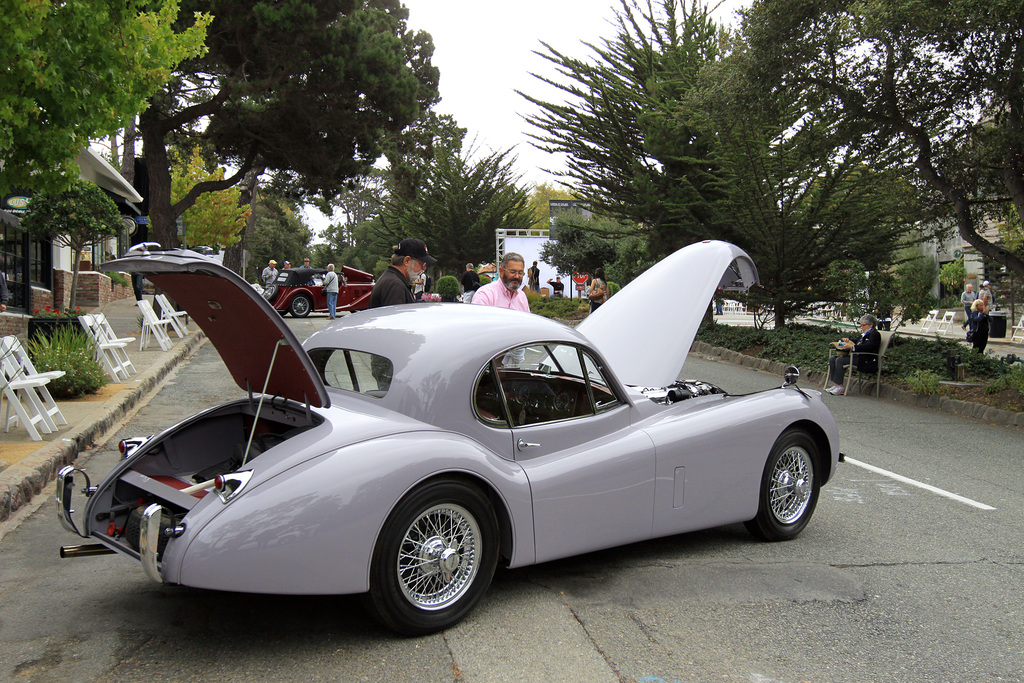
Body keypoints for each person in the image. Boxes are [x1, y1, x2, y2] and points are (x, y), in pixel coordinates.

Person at [369, 238, 436, 308]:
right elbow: (396, 317)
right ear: (407, 261)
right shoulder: (395, 285)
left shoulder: (392, 279)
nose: (424, 268)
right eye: (422, 263)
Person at [827, 314, 882, 395]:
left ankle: (840, 387)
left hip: (866, 359)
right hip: (858, 357)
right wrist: (848, 341)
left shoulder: (875, 334)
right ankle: (836, 383)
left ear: (871, 325)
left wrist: (853, 347)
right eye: (861, 325)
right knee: (832, 358)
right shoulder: (864, 334)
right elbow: (856, 341)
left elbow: (868, 346)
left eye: (863, 325)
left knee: (840, 360)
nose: (861, 327)